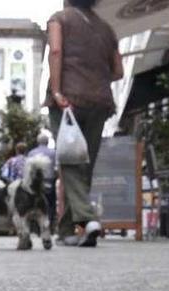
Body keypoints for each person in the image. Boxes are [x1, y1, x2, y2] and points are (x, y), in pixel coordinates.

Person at [46, 0, 124, 247]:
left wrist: (57, 91)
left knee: (70, 162)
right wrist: (96, 77)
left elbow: (56, 52)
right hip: (100, 102)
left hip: (68, 100)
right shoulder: (107, 29)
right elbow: (119, 71)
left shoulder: (59, 18)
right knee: (84, 167)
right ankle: (70, 231)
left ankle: (88, 220)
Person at [27, 132, 57, 232]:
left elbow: (28, 170)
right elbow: (57, 168)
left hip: (35, 183)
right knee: (50, 203)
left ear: (37, 142)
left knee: (34, 203)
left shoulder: (31, 153)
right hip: (49, 181)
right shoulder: (53, 153)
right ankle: (50, 225)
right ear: (48, 142)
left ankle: (36, 227)